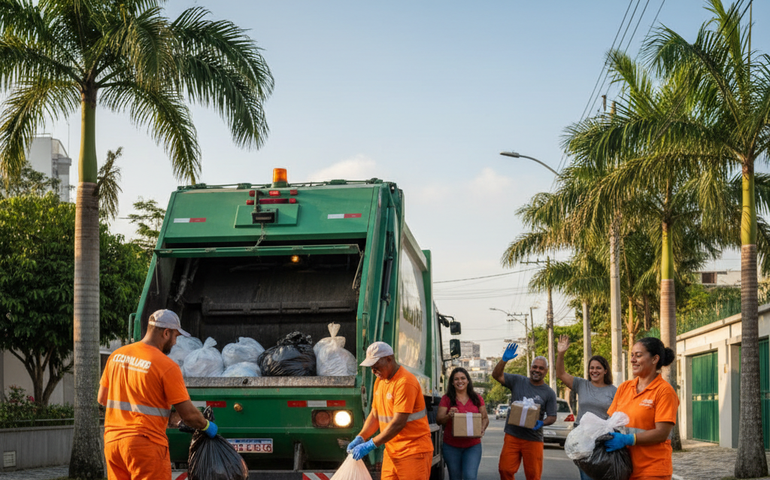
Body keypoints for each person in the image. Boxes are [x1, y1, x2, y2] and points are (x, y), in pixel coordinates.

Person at [98, 309, 217, 480]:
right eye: (175, 336)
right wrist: (206, 426)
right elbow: (189, 415)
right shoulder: (166, 366)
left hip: (113, 443)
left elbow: (103, 398)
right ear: (166, 333)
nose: (175, 342)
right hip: (146, 445)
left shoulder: (116, 356)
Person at [346, 341, 434, 480]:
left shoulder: (405, 382)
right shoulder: (380, 381)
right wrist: (361, 437)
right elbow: (375, 415)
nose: (374, 371)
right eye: (371, 368)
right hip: (392, 452)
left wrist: (371, 444)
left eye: (376, 367)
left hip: (412, 452)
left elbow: (398, 423)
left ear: (389, 359)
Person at [603, 337, 679, 480]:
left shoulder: (664, 391)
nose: (632, 360)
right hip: (623, 468)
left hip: (652, 470)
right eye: (632, 355)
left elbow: (662, 433)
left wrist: (628, 439)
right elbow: (610, 422)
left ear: (654, 359)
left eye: (638, 355)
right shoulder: (624, 388)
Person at [556, 334, 617, 480]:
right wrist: (561, 354)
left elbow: (616, 416)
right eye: (591, 368)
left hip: (602, 440)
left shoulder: (613, 391)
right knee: (587, 476)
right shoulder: (581, 384)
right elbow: (560, 374)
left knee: (601, 475)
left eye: (598, 368)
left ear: (605, 371)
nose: (594, 371)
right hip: (582, 439)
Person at [493, 343, 557, 480]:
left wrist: (542, 422)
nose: (537, 370)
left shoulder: (549, 393)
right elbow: (496, 375)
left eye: (541, 368)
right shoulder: (518, 381)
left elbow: (552, 417)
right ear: (530, 368)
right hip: (512, 435)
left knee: (533, 475)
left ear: (546, 371)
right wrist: (504, 360)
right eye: (534, 367)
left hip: (533, 439)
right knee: (504, 469)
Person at [436, 367, 489, 480]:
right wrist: (449, 415)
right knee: (455, 478)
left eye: (463, 378)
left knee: (470, 477)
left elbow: (485, 418)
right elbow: (439, 420)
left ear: (468, 380)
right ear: (452, 382)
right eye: (456, 379)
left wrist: (482, 429)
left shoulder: (477, 398)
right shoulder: (446, 399)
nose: (460, 381)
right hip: (451, 446)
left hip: (472, 446)